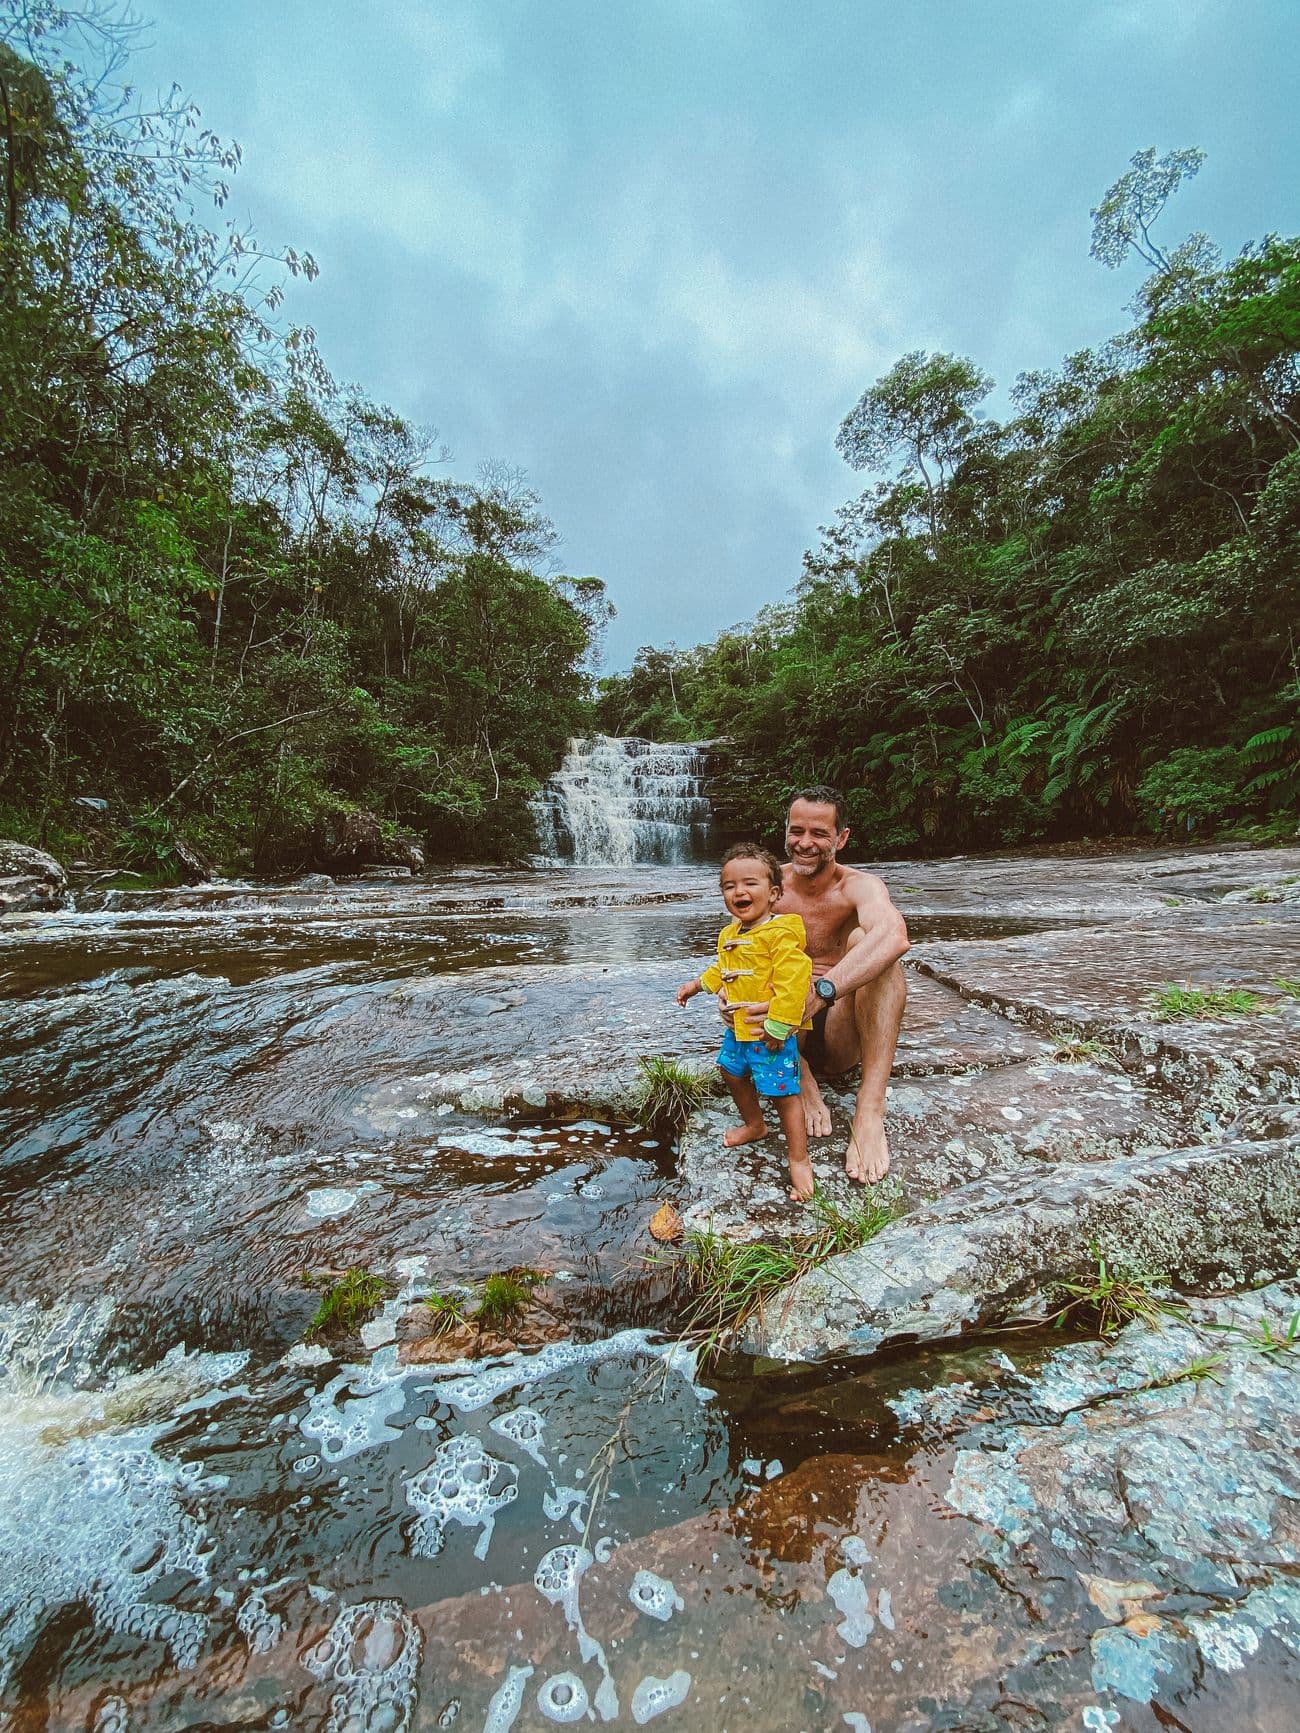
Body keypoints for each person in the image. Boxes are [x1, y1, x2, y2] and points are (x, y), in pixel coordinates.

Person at [724, 788, 909, 1185]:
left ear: (841, 838)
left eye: (819, 833)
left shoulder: (858, 886)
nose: (805, 843)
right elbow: (733, 956)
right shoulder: (766, 885)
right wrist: (727, 998)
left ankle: (870, 1108)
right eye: (797, 831)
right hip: (779, 1035)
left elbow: (894, 935)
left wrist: (821, 993)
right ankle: (802, 1075)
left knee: (875, 949)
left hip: (839, 1020)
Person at [676, 844, 815, 1203]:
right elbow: (722, 969)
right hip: (738, 1029)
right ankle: (755, 1124)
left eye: (750, 883)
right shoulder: (730, 934)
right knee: (731, 1072)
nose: (739, 891)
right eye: (729, 886)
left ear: (774, 893)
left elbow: (795, 981)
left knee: (784, 1095)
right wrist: (697, 985)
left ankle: (799, 1159)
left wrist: (779, 1027)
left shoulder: (780, 933)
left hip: (771, 1033)